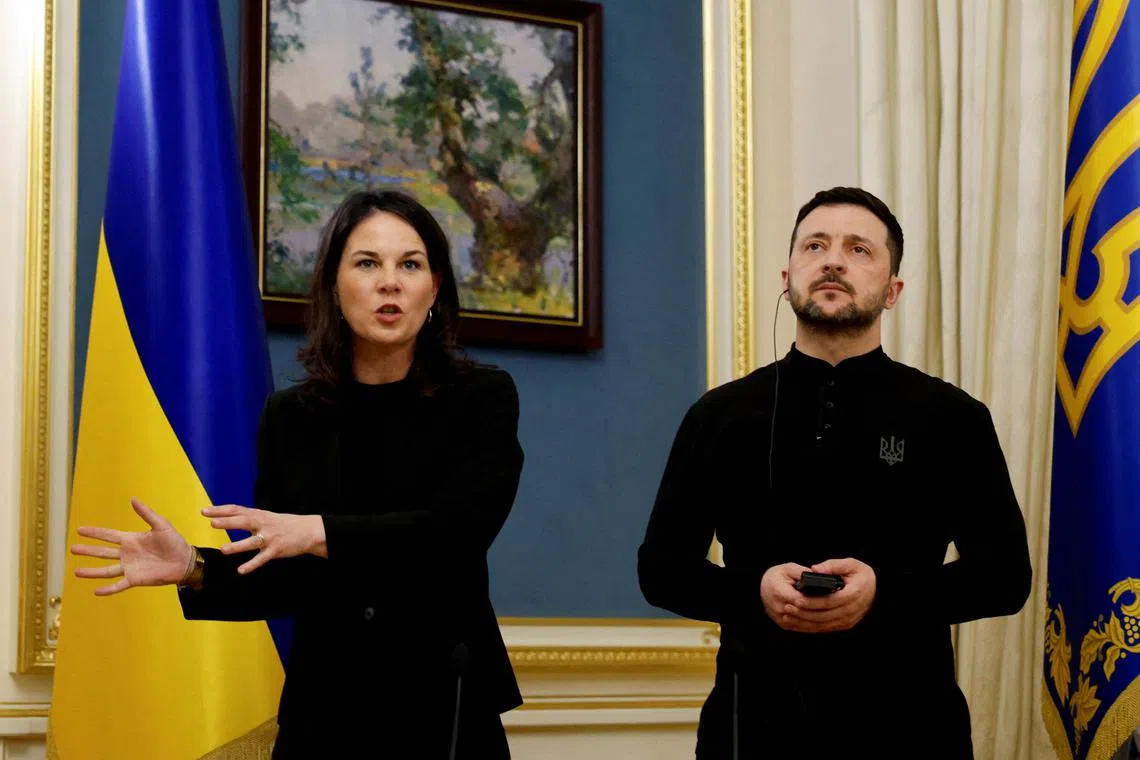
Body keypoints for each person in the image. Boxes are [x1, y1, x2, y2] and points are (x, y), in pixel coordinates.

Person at [71, 190, 524, 758]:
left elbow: (455, 534)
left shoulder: (481, 398)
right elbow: (286, 577)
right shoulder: (292, 416)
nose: (390, 282)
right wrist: (194, 567)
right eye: (367, 263)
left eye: (410, 264)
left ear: (433, 287)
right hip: (325, 712)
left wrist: (317, 533)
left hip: (446, 706)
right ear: (335, 286)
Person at [637, 187, 1031, 759]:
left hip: (911, 727)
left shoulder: (953, 417)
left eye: (859, 249)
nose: (833, 260)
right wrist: (755, 592)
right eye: (815, 245)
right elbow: (660, 569)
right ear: (787, 275)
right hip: (753, 727)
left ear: (893, 290)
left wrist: (883, 596)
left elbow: (1006, 575)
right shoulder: (719, 415)